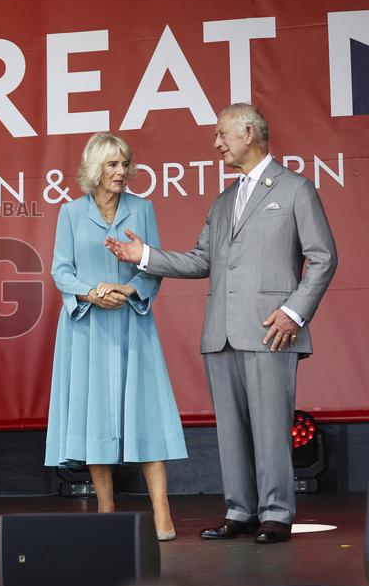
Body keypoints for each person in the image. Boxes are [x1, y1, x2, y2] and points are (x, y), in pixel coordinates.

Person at [106, 104, 338, 544]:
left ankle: (275, 514)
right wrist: (145, 257)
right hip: (221, 331)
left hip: (272, 329)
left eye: (221, 135)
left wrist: (293, 311)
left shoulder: (295, 189)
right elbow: (201, 260)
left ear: (248, 133)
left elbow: (323, 258)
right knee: (230, 430)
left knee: (271, 426)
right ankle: (240, 511)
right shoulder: (224, 199)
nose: (216, 144)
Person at [44, 133, 186, 541]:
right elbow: (61, 270)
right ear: (94, 169)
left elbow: (153, 264)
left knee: (146, 414)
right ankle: (107, 510)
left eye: (125, 163)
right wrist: (92, 293)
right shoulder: (70, 213)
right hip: (87, 326)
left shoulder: (143, 209)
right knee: (95, 419)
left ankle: (162, 512)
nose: (121, 171)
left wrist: (125, 290)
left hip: (132, 324)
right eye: (112, 164)